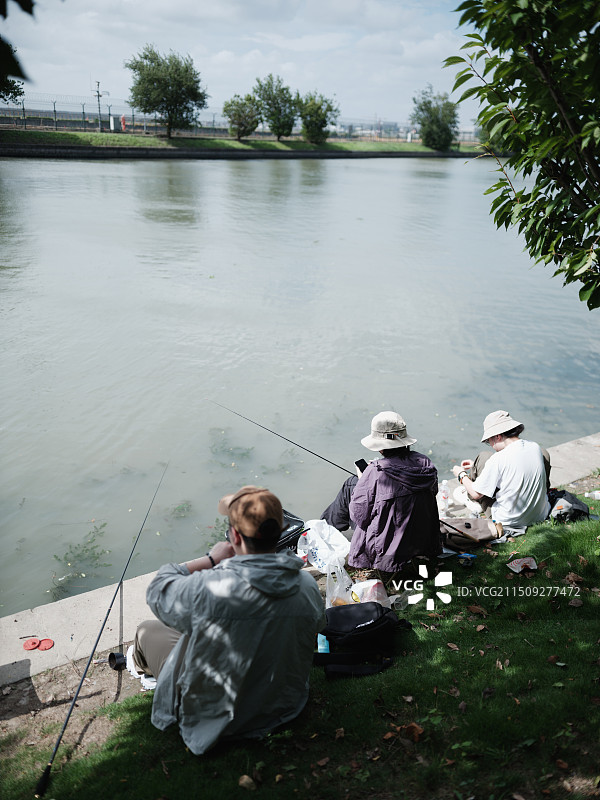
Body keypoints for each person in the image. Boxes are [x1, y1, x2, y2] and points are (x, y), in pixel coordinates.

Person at [130, 485, 326, 755]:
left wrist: (211, 558)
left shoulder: (210, 587)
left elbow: (158, 589)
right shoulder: (305, 584)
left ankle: (147, 673)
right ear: (280, 532)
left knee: (147, 630)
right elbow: (318, 627)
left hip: (217, 723)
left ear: (234, 536)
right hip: (285, 707)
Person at [322, 411, 441, 573]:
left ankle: (324, 530)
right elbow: (431, 492)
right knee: (357, 485)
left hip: (386, 548)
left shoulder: (374, 472)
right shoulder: (425, 463)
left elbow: (359, 516)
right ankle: (326, 527)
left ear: (380, 447)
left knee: (351, 484)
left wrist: (363, 481)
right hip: (421, 538)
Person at [452, 410, 550, 530]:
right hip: (539, 515)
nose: (491, 446)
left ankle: (471, 502)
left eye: (489, 441)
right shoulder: (534, 447)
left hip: (508, 520)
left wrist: (461, 474)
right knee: (545, 453)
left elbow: (476, 494)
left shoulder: (498, 458)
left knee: (484, 456)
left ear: (497, 436)